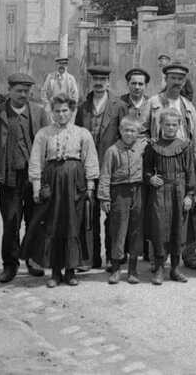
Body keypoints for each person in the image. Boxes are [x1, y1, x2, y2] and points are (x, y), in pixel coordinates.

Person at [21, 94, 99, 287]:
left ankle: (71, 271)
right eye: (57, 111)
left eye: (65, 110)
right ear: (52, 112)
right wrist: (37, 187)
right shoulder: (44, 134)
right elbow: (36, 161)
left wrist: (89, 186)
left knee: (73, 224)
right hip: (52, 181)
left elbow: (90, 160)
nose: (61, 115)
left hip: (75, 182)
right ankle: (55, 272)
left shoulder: (82, 133)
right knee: (53, 225)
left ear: (72, 112)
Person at [0, 73, 51, 284]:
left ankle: (32, 259)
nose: (23, 95)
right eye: (19, 91)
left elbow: (48, 146)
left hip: (34, 178)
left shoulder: (39, 113)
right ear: (9, 90)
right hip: (9, 177)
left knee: (34, 221)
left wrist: (46, 178)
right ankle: (10, 265)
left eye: (26, 91)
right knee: (11, 223)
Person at [75, 65, 127, 270]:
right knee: (89, 213)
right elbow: (79, 136)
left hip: (112, 168)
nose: (98, 83)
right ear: (91, 82)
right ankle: (90, 258)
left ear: (108, 82)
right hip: (88, 168)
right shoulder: (83, 107)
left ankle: (113, 258)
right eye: (95, 79)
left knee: (113, 214)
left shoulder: (119, 106)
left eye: (102, 79)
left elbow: (126, 137)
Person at [144, 108, 196, 284]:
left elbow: (191, 172)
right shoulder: (153, 147)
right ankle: (159, 268)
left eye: (174, 124)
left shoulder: (185, 146)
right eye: (167, 124)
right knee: (159, 229)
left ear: (179, 125)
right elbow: (146, 170)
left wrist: (190, 195)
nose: (170, 127)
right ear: (161, 125)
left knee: (178, 229)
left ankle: (175, 268)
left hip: (179, 191)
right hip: (160, 192)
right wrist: (150, 178)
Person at [98, 118, 146, 284]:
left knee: (135, 229)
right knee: (118, 229)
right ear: (120, 131)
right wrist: (104, 197)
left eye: (133, 131)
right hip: (119, 192)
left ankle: (132, 269)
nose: (129, 134)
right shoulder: (112, 151)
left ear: (138, 133)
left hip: (138, 190)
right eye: (126, 130)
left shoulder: (142, 147)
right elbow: (105, 175)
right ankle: (116, 267)